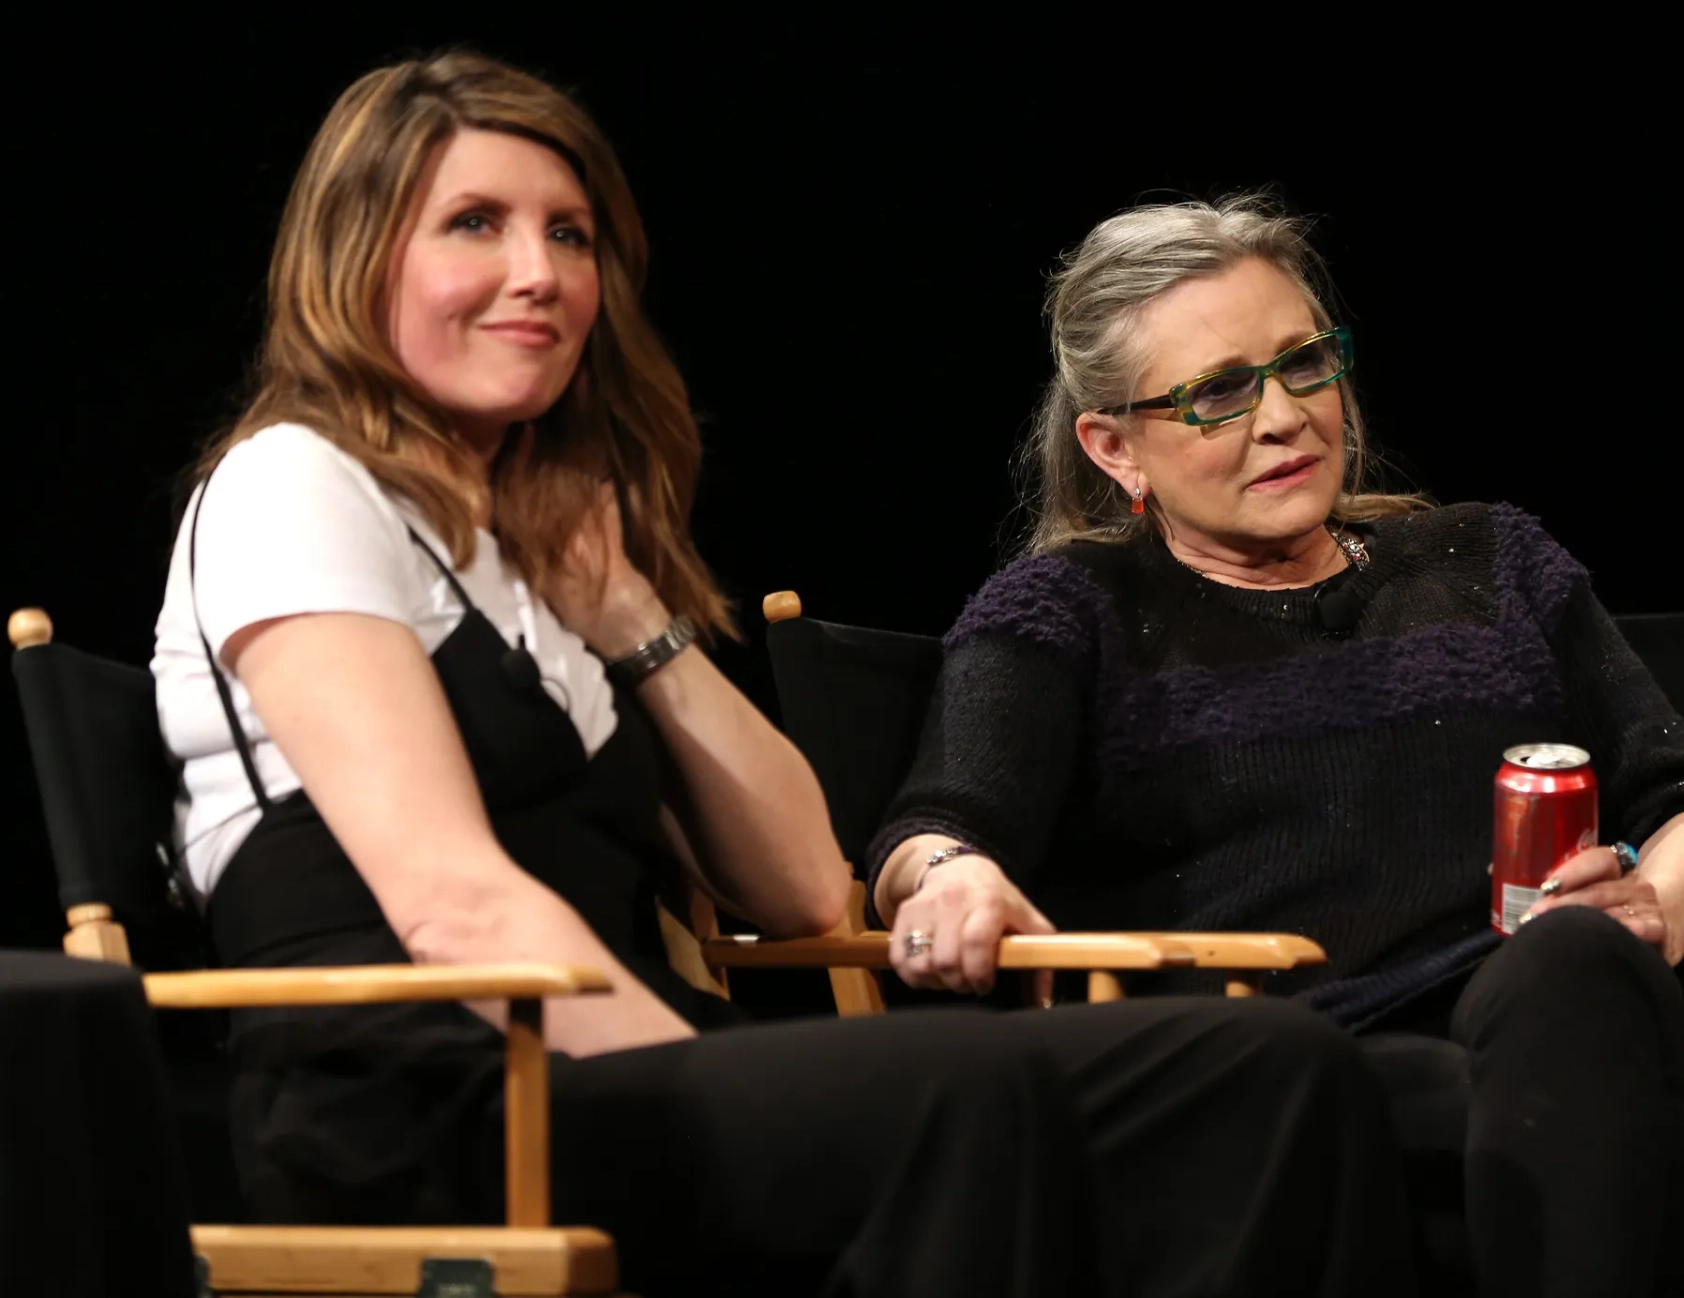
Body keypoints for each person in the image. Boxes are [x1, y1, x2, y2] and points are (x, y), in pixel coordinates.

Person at [149, 53, 1414, 1298]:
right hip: (437, 1110)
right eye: (474, 225)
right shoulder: (294, 484)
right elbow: (455, 909)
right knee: (958, 1090)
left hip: (615, 1081)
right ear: (356, 257)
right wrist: (726, 1083)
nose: (538, 273)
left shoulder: (531, 547)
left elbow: (807, 887)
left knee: (1264, 1060)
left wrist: (632, 613)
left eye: (572, 234)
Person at [870, 196, 1684, 1297]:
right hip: (1257, 1071)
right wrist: (950, 878)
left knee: (1584, 969)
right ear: (1114, 445)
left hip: (1530, 1028)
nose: (1286, 415)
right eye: (1219, 392)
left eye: (1304, 363)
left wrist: (1657, 903)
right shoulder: (1069, 610)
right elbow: (935, 828)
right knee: (1634, 1139)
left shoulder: (1489, 560)